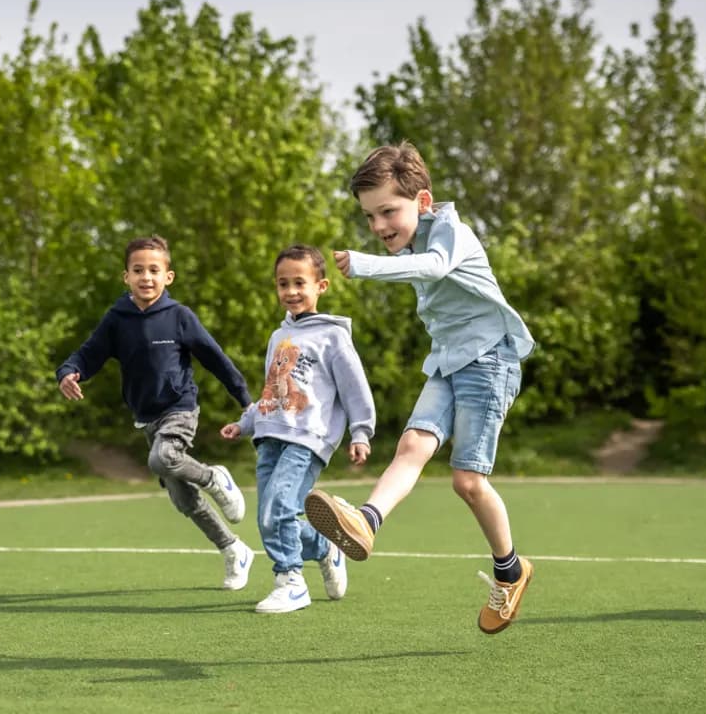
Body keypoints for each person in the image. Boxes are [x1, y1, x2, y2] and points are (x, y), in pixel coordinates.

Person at [302, 142, 537, 634]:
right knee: (410, 446)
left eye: (388, 211)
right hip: (448, 364)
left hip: (490, 360)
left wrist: (365, 264)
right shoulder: (412, 242)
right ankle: (366, 520)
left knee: (468, 483)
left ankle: (510, 571)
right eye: (370, 216)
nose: (379, 226)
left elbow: (433, 266)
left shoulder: (450, 232)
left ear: (423, 202)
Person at [55, 235, 257, 590]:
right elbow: (88, 355)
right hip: (146, 417)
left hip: (180, 408)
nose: (146, 277)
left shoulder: (179, 317)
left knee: (163, 457)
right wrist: (68, 372)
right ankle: (233, 549)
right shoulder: (117, 319)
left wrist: (245, 400)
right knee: (184, 500)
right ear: (126, 277)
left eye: (153, 270)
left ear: (169, 276)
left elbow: (216, 359)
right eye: (138, 270)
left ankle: (214, 478)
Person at [219, 244, 376, 613]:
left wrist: (361, 431)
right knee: (270, 518)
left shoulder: (333, 336)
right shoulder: (279, 337)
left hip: (307, 439)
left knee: (279, 509)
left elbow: (355, 388)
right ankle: (324, 547)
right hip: (269, 437)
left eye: (299, 283)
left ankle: (290, 581)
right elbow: (272, 390)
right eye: (282, 283)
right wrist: (245, 423)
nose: (290, 291)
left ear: (321, 286)